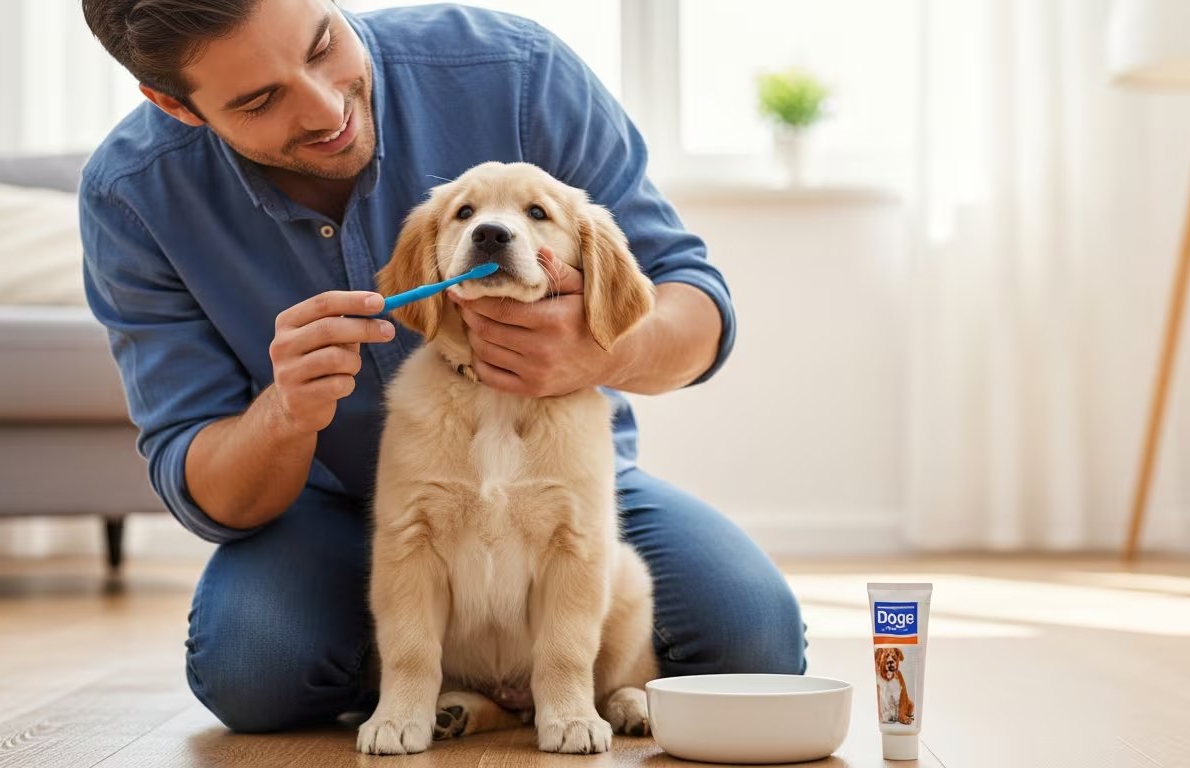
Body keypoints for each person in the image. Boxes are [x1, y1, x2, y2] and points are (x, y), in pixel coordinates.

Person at [79, 0, 807, 733]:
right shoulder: (132, 195)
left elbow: (696, 304)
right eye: (261, 100)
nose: (326, 107)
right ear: (176, 105)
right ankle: (435, 679)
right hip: (318, 508)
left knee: (754, 645)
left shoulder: (518, 70)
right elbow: (199, 480)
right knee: (252, 669)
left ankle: (501, 675)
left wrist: (599, 351)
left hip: (562, 483)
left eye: (323, 45)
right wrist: (285, 411)